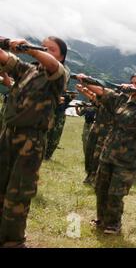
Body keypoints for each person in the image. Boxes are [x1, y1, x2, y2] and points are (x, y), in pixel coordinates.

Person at [0, 36, 69, 248]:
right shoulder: (28, 70)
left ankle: (13, 241)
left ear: (62, 57)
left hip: (31, 141)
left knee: (18, 192)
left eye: (51, 49)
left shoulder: (58, 75)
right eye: (44, 46)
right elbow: (4, 59)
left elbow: (51, 64)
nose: (46, 51)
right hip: (8, 135)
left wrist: (30, 49)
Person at [76, 72, 136, 235]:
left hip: (127, 159)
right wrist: (85, 80)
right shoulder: (120, 99)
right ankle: (101, 219)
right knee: (101, 188)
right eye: (131, 82)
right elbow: (102, 92)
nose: (132, 85)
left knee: (115, 193)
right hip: (108, 152)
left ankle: (113, 224)